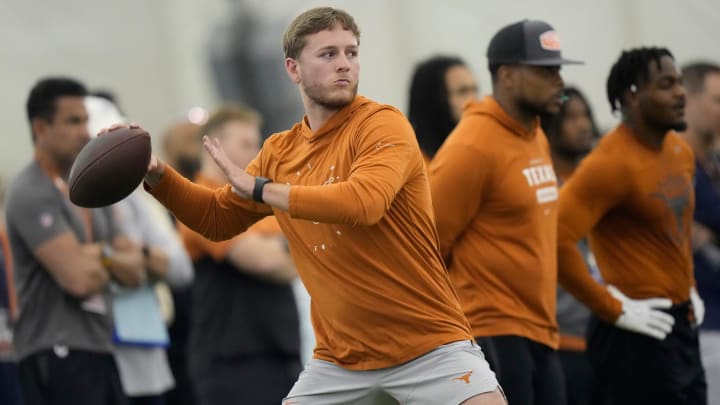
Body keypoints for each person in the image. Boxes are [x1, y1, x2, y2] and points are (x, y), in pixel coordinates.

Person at [108, 7, 506, 405]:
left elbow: (364, 203)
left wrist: (263, 189)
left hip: (429, 345)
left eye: (351, 52)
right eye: (328, 54)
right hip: (340, 363)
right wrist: (158, 175)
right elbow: (215, 219)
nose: (345, 65)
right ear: (293, 69)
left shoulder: (382, 124)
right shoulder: (279, 150)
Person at [429, 19, 581, 405]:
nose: (558, 81)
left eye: (559, 70)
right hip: (493, 330)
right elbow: (427, 243)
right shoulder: (472, 145)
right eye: (546, 71)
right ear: (509, 76)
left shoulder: (535, 134)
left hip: (542, 328)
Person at [556, 47, 707, 404]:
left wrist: (690, 285)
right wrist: (612, 307)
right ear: (633, 96)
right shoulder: (608, 164)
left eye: (681, 83)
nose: (680, 93)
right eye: (666, 84)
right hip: (633, 333)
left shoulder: (679, 150)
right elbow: (555, 240)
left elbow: (675, 229)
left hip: (680, 323)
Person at [6, 77, 145, 405]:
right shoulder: (30, 191)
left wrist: (99, 254)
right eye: (73, 121)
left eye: (85, 120)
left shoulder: (89, 189)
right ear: (40, 128)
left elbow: (136, 271)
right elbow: (80, 280)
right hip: (55, 350)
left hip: (99, 345)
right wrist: (110, 260)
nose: (85, 131)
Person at [178, 105, 301, 405]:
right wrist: (288, 246)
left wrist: (279, 247)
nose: (257, 153)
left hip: (281, 354)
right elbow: (263, 260)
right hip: (232, 364)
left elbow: (296, 257)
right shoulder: (198, 200)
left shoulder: (261, 200)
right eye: (246, 144)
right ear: (214, 147)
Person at [85, 95, 195, 405]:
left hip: (147, 352)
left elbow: (180, 268)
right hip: (99, 356)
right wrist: (122, 259)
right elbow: (85, 270)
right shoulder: (69, 198)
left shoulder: (136, 198)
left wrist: (139, 255)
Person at [540, 86, 600, 405]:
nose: (583, 125)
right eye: (571, 118)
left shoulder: (602, 179)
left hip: (609, 336)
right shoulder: (541, 185)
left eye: (586, 115)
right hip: (564, 340)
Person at [680, 61, 720, 405]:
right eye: (717, 100)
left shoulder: (712, 164)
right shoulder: (672, 170)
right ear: (688, 100)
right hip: (702, 324)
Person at [407, 55, 479, 162]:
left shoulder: (478, 153)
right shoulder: (413, 165)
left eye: (475, 90)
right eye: (463, 91)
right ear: (435, 99)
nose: (474, 101)